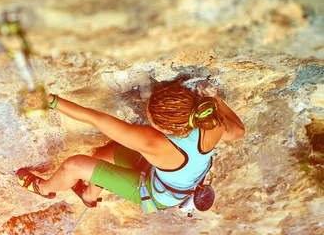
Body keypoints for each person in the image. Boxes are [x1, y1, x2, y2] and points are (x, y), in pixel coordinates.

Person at [16, 80, 245, 211]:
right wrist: (216, 99)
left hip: (156, 193)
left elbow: (95, 119)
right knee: (103, 155)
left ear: (164, 128)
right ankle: (89, 195)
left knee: (73, 166)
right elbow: (239, 131)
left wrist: (50, 101)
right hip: (170, 176)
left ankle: (43, 189)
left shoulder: (153, 142)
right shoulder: (211, 123)